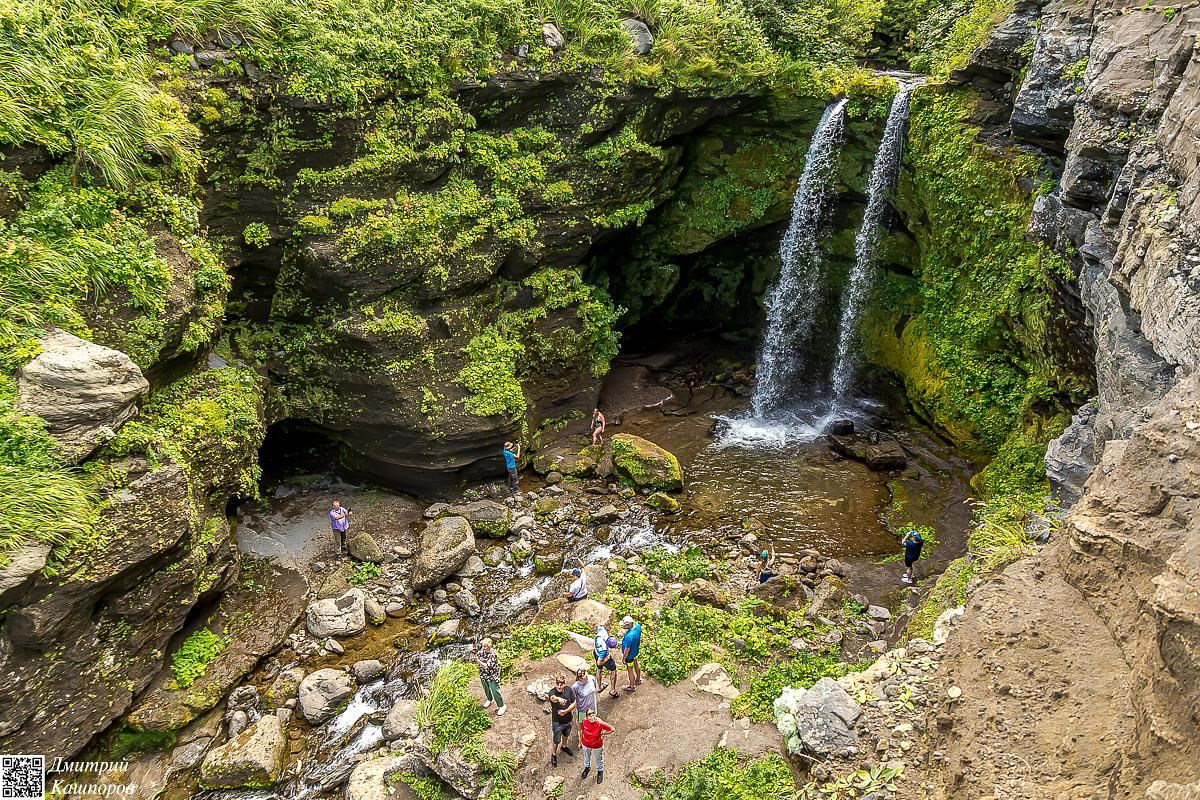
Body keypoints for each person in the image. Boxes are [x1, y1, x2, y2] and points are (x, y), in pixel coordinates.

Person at [579, 707, 614, 785]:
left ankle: (600, 771)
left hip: (597, 745)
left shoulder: (600, 722)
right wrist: (580, 741)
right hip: (586, 744)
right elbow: (582, 730)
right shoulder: (584, 721)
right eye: (589, 715)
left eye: (593, 715)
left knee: (598, 758)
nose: (591, 717)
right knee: (586, 756)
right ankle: (587, 768)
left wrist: (603, 733)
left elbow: (612, 729)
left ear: (595, 715)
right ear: (586, 717)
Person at [548, 673, 576, 766]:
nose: (559, 686)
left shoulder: (568, 689)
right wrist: (559, 699)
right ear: (555, 684)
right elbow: (553, 698)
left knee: (566, 734)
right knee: (556, 739)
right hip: (557, 722)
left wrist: (566, 711)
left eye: (561, 684)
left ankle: (564, 747)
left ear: (564, 684)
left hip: (568, 719)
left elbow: (574, 702)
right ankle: (554, 754)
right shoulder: (552, 692)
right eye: (558, 684)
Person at [477, 638, 506, 716]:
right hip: (483, 674)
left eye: (485, 646)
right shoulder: (480, 652)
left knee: (495, 690)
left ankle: (502, 706)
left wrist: (478, 661)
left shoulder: (493, 654)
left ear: (489, 646)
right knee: (486, 687)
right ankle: (489, 699)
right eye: (483, 646)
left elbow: (487, 666)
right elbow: (478, 661)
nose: (483, 648)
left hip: (492, 675)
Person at [593, 626, 620, 697]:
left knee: (599, 669)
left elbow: (598, 628)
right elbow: (599, 662)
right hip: (602, 657)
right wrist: (606, 659)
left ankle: (599, 687)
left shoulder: (602, 631)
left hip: (596, 652)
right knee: (612, 669)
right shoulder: (604, 650)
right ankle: (612, 690)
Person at [619, 615, 643, 692]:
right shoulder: (638, 626)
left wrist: (623, 658)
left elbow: (627, 650)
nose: (623, 627)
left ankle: (632, 686)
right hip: (635, 651)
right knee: (636, 663)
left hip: (629, 656)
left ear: (629, 625)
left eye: (624, 625)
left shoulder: (629, 636)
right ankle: (638, 679)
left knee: (630, 670)